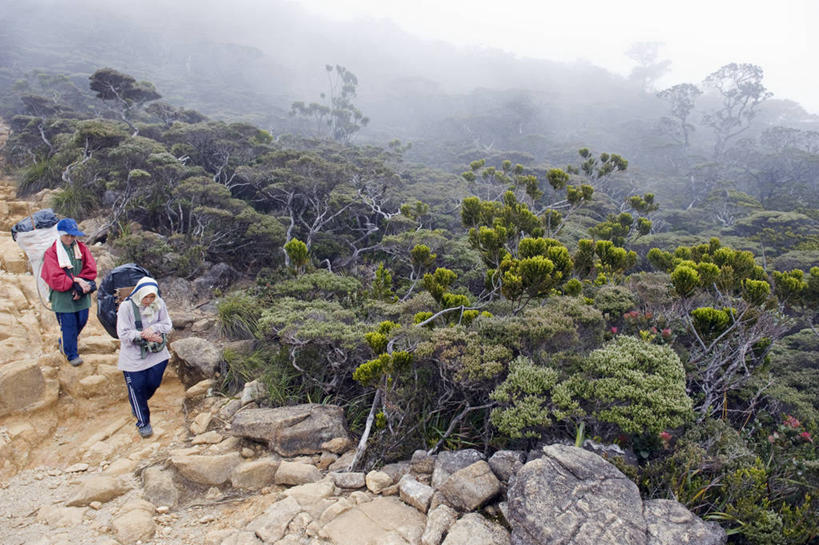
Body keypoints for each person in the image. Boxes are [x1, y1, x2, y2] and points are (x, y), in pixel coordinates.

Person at [116, 276, 173, 438]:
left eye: (151, 297)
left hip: (156, 353)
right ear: (139, 294)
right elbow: (123, 333)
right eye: (146, 297)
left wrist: (153, 329)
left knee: (154, 383)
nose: (148, 300)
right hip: (133, 355)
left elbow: (167, 324)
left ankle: (137, 400)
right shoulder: (126, 307)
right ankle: (143, 422)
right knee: (137, 387)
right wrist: (143, 335)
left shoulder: (159, 304)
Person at [41, 218, 98, 367]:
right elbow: (54, 276)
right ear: (60, 234)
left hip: (81, 291)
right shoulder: (51, 252)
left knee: (82, 320)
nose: (70, 238)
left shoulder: (81, 248)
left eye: (73, 236)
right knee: (68, 324)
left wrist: (81, 286)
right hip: (62, 295)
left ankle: (65, 341)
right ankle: (71, 354)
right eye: (67, 235)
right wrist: (75, 283)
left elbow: (90, 268)